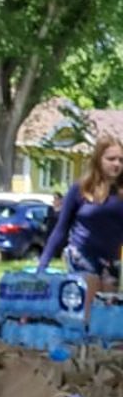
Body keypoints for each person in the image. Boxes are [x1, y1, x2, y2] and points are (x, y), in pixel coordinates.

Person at [38, 135, 123, 315]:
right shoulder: (81, 189)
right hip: (82, 255)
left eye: (121, 160)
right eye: (111, 159)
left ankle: (99, 343)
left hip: (111, 259)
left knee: (107, 314)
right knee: (88, 309)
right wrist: (43, 264)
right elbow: (61, 229)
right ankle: (81, 341)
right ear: (98, 160)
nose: (117, 164)